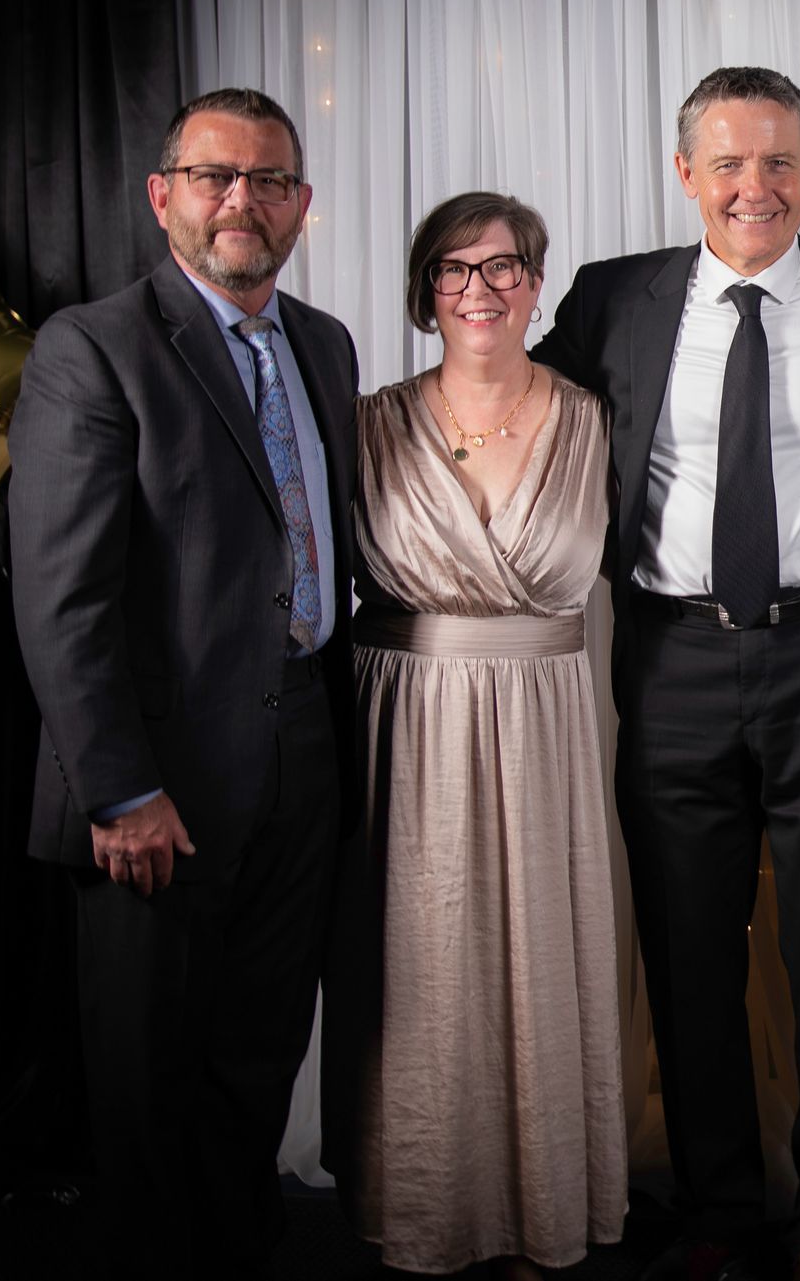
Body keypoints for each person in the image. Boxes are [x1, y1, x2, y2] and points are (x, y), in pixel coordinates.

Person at [532, 66, 800, 1281]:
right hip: (671, 658)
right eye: (727, 162)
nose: (753, 186)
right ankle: (716, 1211)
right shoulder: (613, 300)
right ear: (684, 173)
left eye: (778, 161)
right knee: (688, 948)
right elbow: (508, 407)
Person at [9, 88, 358, 1277]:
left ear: (302, 206)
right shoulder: (91, 347)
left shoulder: (324, 342)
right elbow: (62, 597)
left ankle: (243, 1250)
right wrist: (115, 789)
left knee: (260, 1050)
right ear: (164, 196)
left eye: (267, 181)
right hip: (159, 780)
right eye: (215, 177)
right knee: (150, 1074)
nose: (240, 202)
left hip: (304, 747)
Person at [321, 192, 623, 1275]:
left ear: (537, 284)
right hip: (405, 724)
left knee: (541, 955)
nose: (480, 290)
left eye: (503, 268)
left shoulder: (593, 419)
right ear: (425, 291)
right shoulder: (361, 421)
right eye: (454, 270)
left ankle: (546, 1197)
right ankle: (418, 1202)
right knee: (419, 968)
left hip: (548, 721)